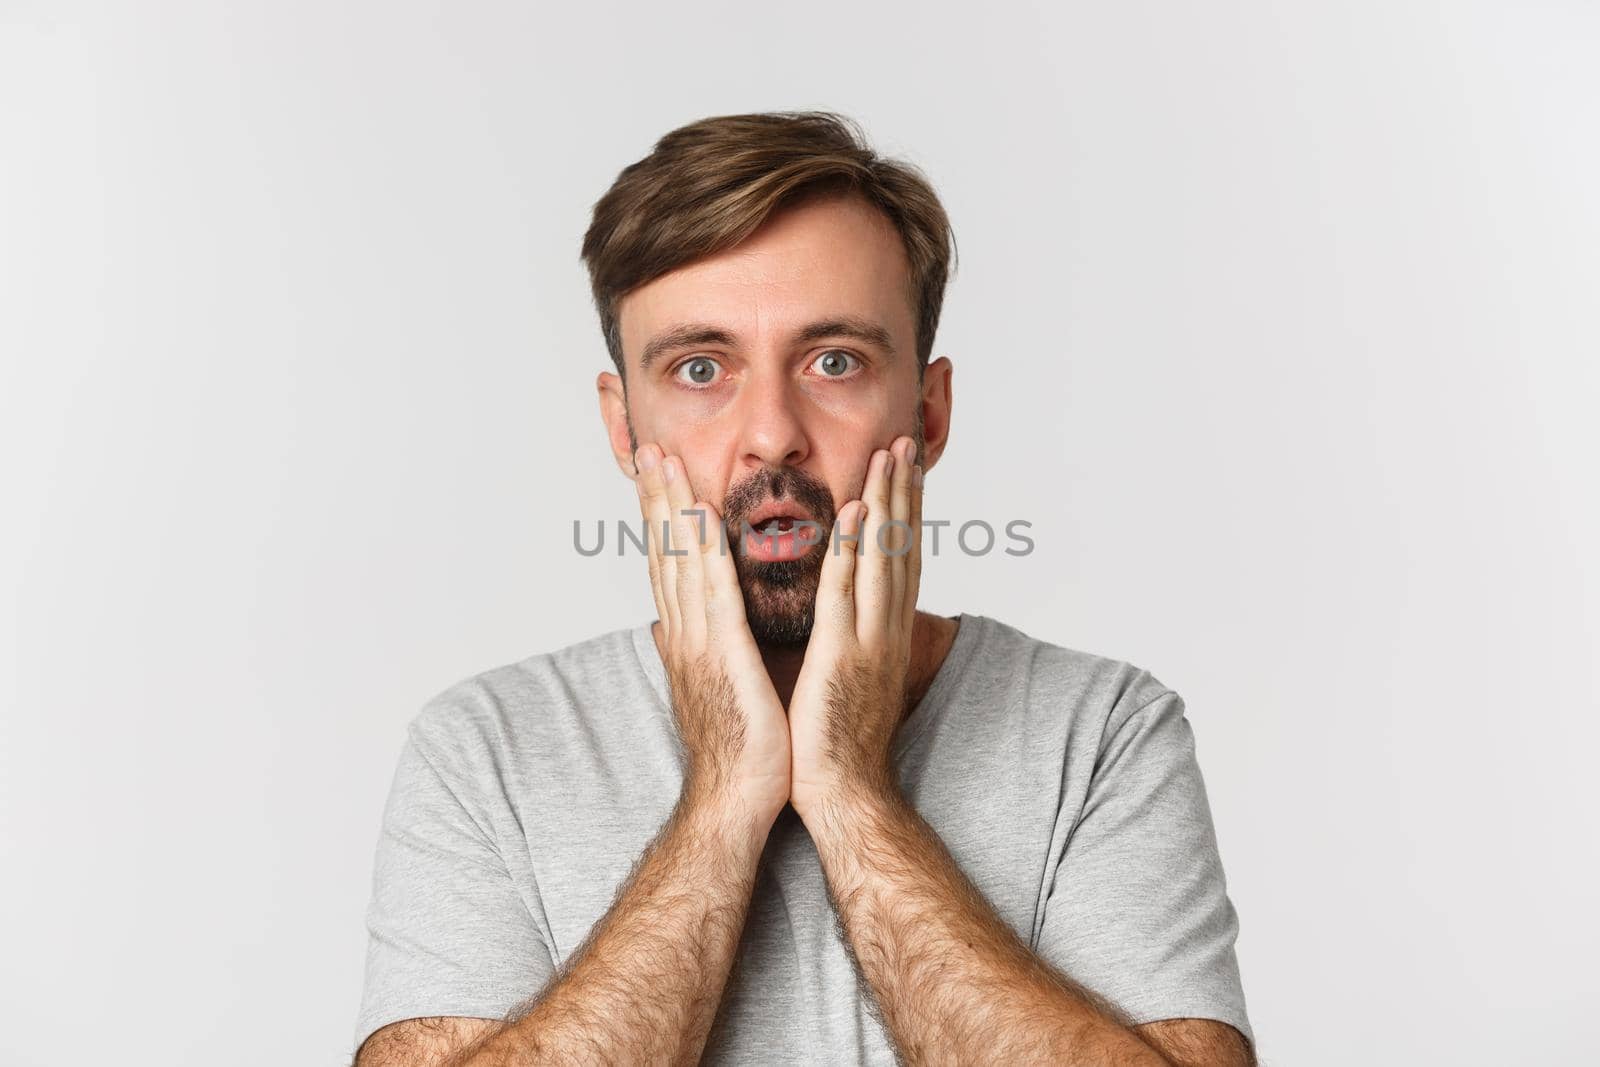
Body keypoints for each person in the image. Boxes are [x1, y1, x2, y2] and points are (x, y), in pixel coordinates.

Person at [351, 110, 1254, 1066]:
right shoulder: (484, 749)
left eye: (835, 362)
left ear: (930, 410)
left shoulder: (1102, 730)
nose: (772, 433)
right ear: (624, 429)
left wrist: (854, 793)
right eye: (701, 369)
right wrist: (725, 794)